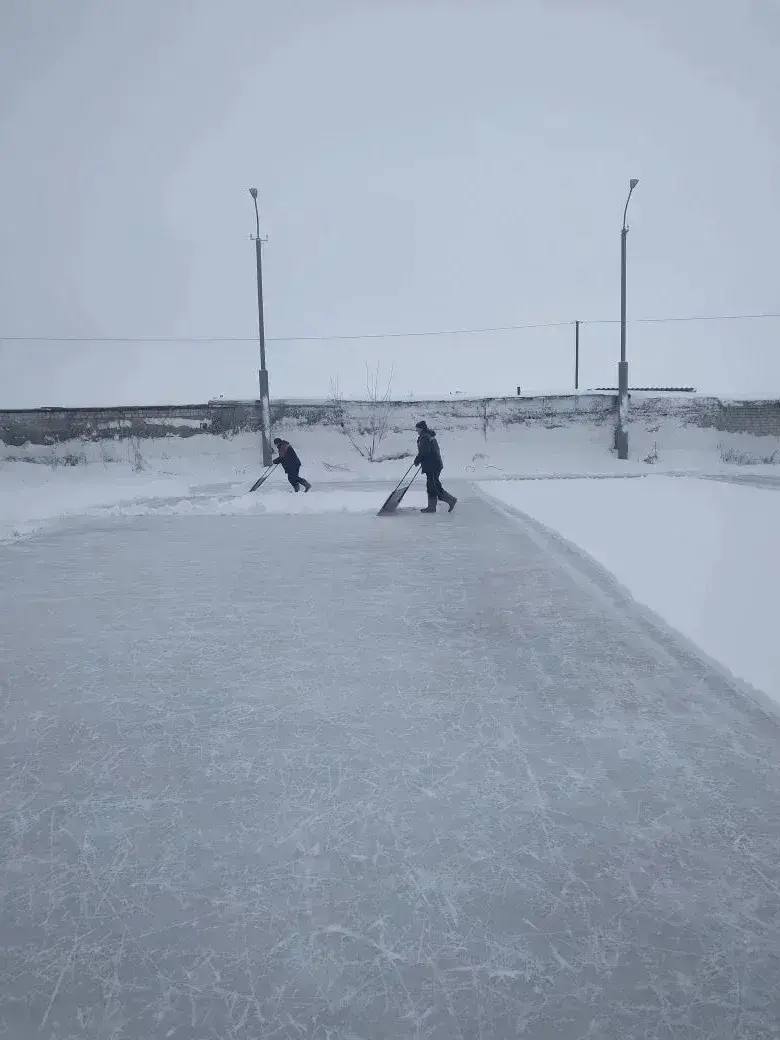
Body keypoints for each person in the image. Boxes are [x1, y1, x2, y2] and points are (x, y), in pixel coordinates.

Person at [413, 420, 457, 513]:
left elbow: (425, 452)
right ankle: (431, 507)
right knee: (431, 485)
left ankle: (451, 500)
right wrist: (420, 460)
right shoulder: (427, 436)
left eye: (417, 428)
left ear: (421, 428)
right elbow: (426, 451)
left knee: (434, 486)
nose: (416, 430)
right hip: (432, 464)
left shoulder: (425, 437)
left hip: (433, 465)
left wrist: (417, 460)